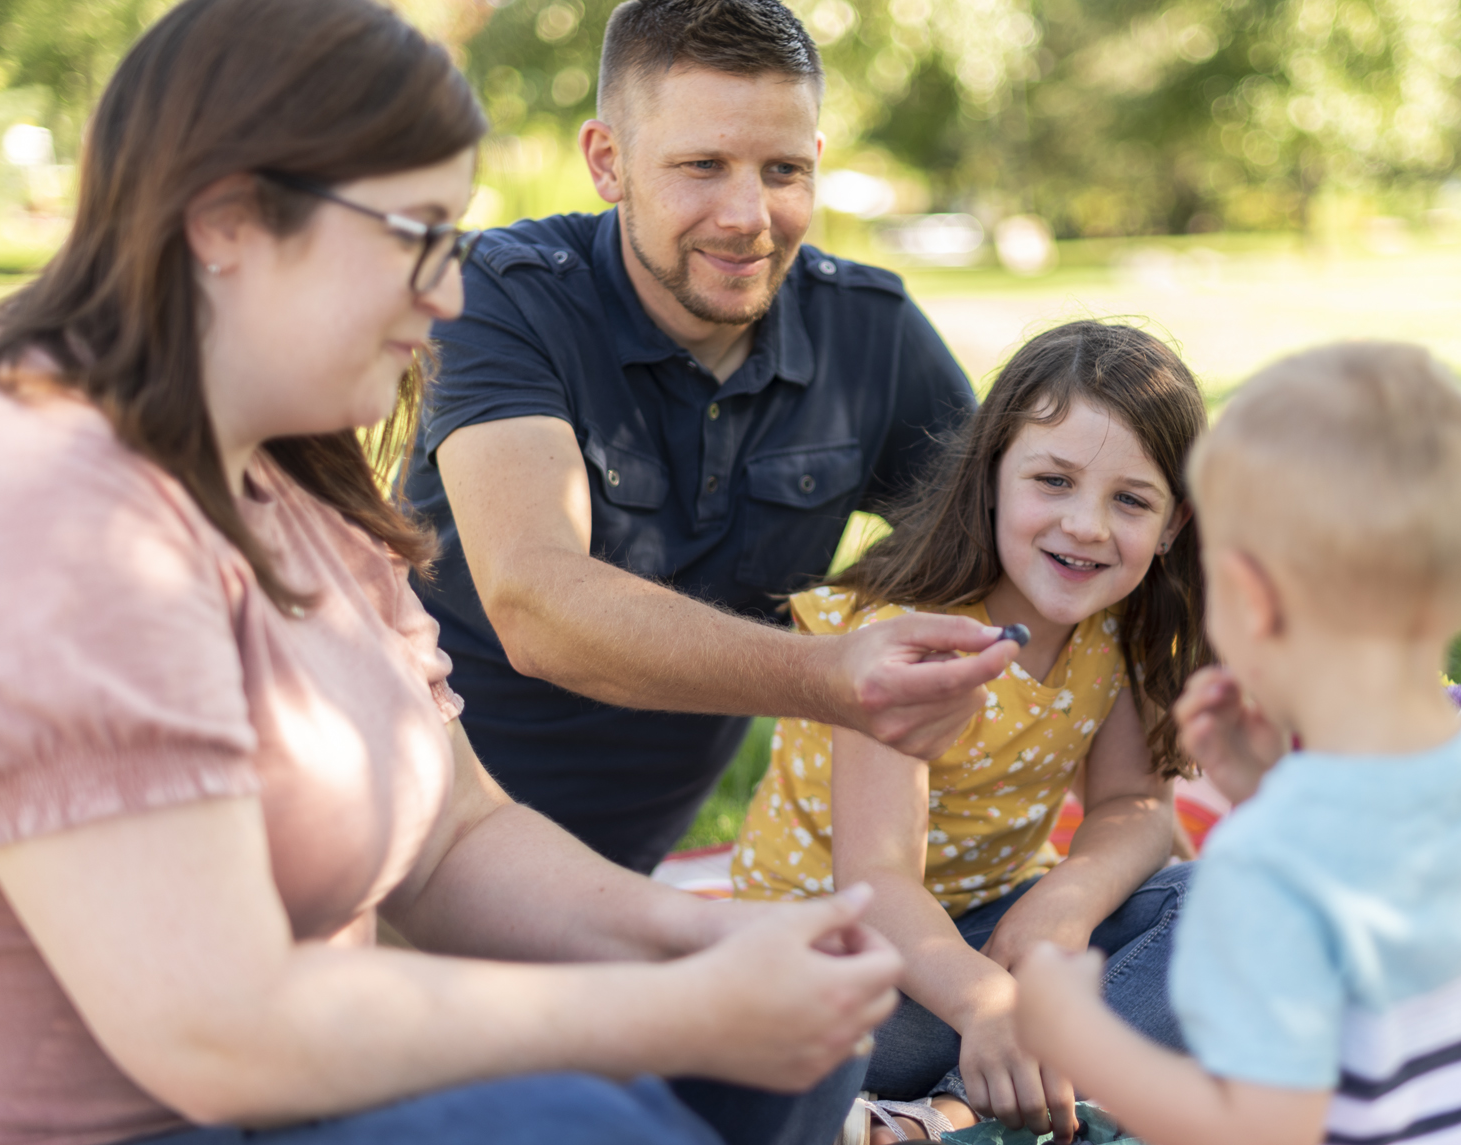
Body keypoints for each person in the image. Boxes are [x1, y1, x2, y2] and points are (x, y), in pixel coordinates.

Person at [0, 3, 973, 1145]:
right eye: (416, 235)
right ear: (226, 221)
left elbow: (457, 835)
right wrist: (668, 1010)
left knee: (792, 1046)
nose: (447, 298)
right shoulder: (43, 492)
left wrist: (713, 942)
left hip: (291, 1114)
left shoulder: (286, 472)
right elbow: (215, 1026)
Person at [402, 0, 1012, 873]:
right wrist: (830, 675)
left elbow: (1010, 543)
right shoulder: (500, 299)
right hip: (413, 846)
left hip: (625, 877)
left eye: (782, 169)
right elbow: (535, 602)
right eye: (702, 165)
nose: (747, 215)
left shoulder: (870, 331)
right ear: (608, 162)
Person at [1015, 343, 1461, 1145]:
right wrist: (1273, 791)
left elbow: (1261, 1144)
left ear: (1245, 597)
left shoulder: (1270, 863)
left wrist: (1080, 1034)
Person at [732, 323, 1210, 1145]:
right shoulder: (911, 637)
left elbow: (1135, 801)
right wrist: (985, 1004)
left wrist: (1068, 900)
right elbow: (875, 881)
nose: (1088, 525)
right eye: (1053, 481)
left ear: (1173, 525)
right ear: (991, 476)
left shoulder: (1130, 628)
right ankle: (990, 1100)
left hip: (997, 934)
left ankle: (942, 1118)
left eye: (1131, 500)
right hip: (843, 970)